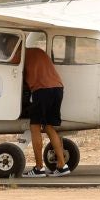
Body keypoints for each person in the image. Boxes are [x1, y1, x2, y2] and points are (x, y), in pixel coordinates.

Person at [23, 35, 68, 176]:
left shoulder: (20, 55)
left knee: (35, 127)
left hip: (42, 90)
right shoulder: (37, 51)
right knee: (48, 126)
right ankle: (62, 165)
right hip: (58, 88)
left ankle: (39, 168)